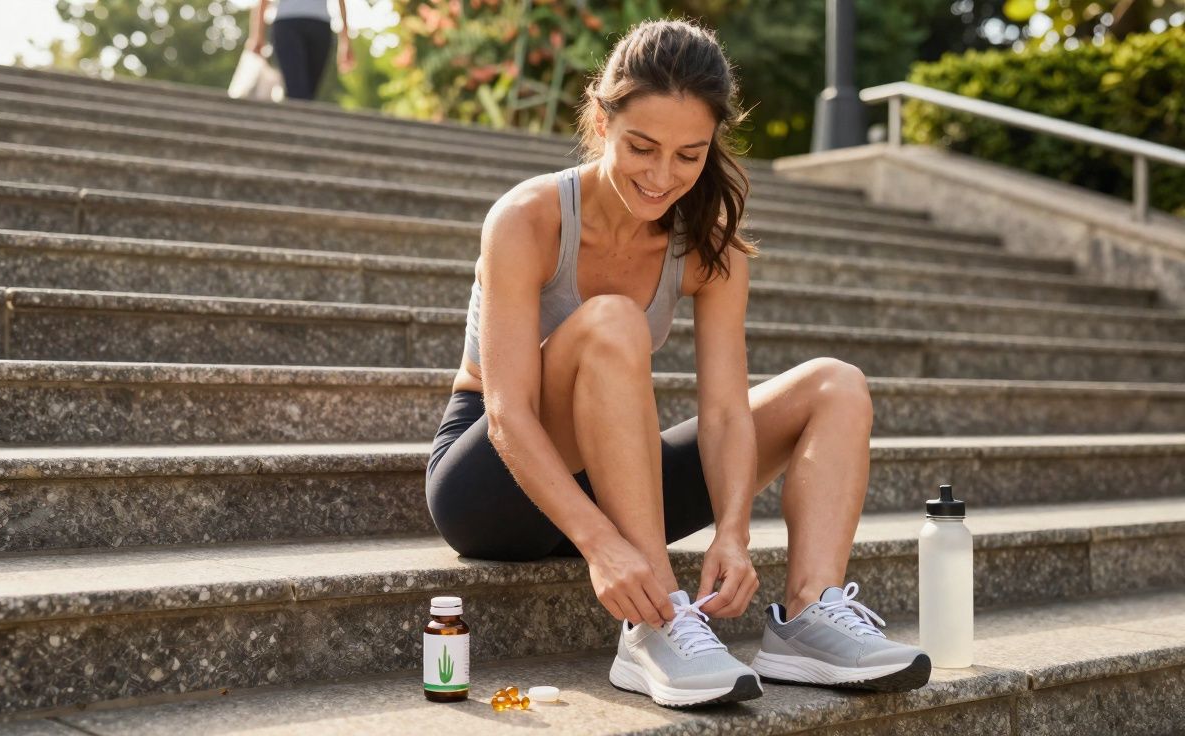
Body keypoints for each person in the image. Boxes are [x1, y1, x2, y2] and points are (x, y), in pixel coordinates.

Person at [424, 19, 931, 708]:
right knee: (610, 319)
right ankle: (655, 619)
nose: (663, 177)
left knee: (836, 386)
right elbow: (509, 413)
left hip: (614, 478)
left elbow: (724, 410)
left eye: (689, 156)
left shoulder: (706, 241)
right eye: (641, 147)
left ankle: (809, 619)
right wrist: (603, 546)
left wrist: (732, 530)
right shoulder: (529, 217)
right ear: (601, 121)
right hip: (493, 482)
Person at [247, 0, 354, 101]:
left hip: (320, 25)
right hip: (287, 23)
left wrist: (345, 41)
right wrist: (257, 35)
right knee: (297, 89)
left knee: (310, 90)